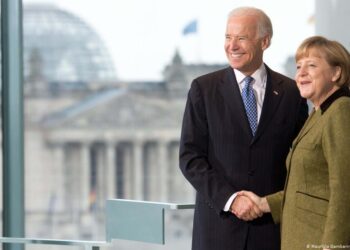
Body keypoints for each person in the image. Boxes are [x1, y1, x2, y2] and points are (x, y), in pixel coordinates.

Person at [179, 6, 308, 250]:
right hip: (218, 231)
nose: (232, 46)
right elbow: (190, 158)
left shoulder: (292, 93)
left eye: (241, 38)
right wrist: (231, 199)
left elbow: (300, 160)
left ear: (264, 41)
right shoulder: (203, 90)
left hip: (272, 232)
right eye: (228, 37)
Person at [238, 36, 350, 250]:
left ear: (336, 73)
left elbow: (344, 190)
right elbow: (309, 189)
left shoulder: (341, 111)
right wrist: (264, 204)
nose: (301, 73)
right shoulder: (318, 114)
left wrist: (334, 247)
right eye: (299, 66)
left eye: (312, 65)